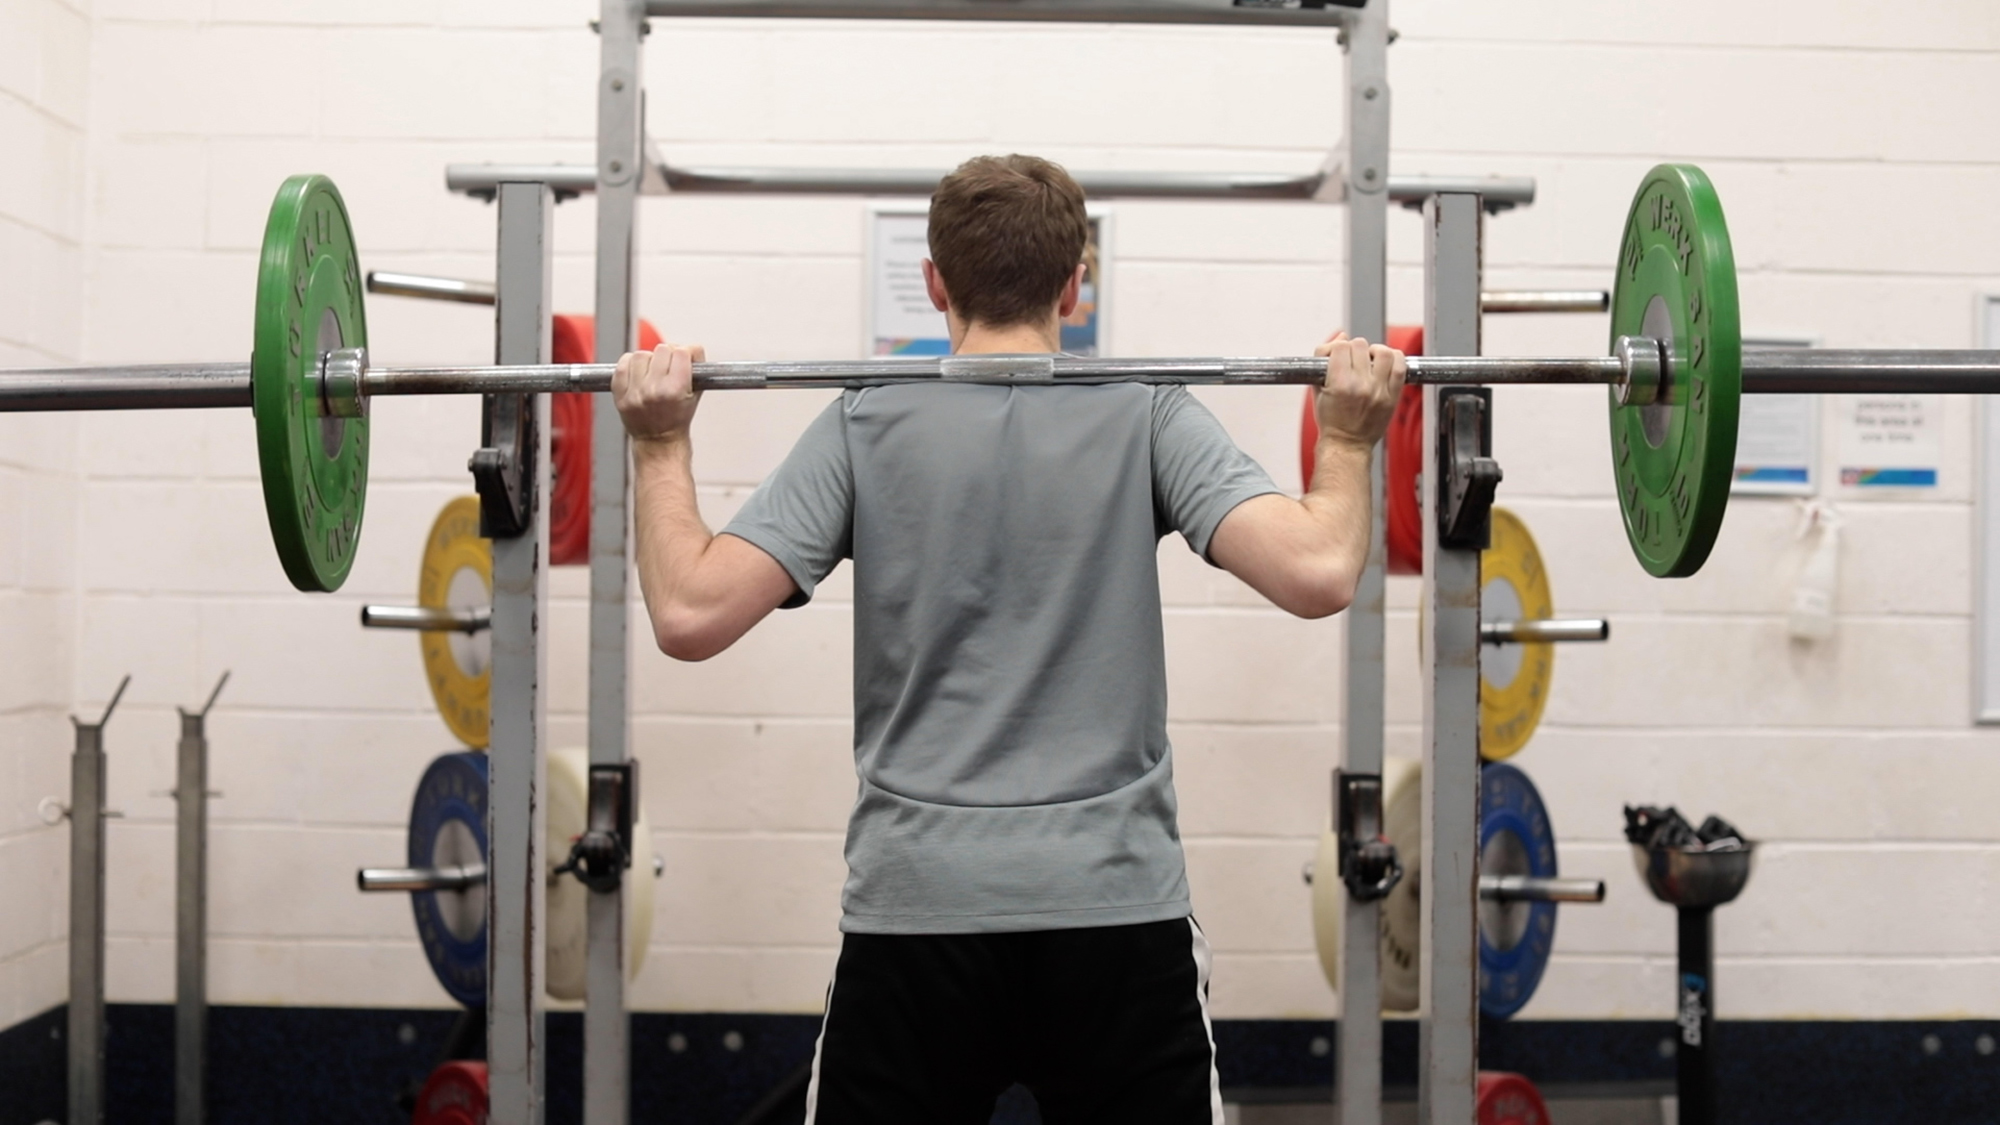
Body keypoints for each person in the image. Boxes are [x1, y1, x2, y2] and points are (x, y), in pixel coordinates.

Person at [612, 154, 1405, 1125]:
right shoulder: (1146, 407)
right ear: (1076, 283)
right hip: (1112, 912)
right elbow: (1319, 569)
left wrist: (657, 443)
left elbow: (690, 613)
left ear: (933, 280)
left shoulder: (866, 418)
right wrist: (1349, 435)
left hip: (917, 913)